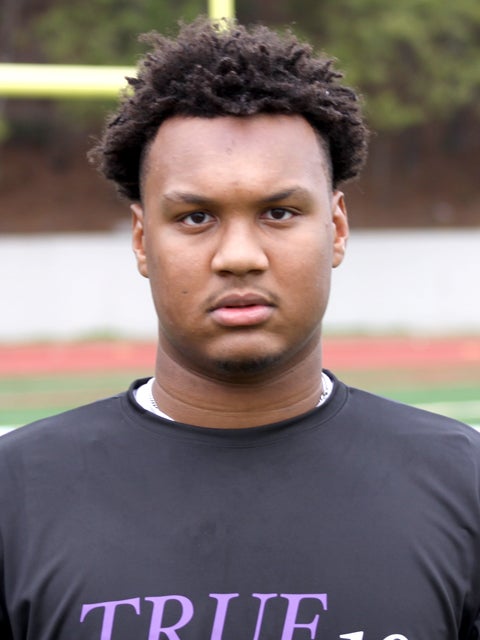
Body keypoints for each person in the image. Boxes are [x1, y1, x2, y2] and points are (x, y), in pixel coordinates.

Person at [1, 17, 479, 640]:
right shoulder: (16, 494)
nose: (239, 256)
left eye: (279, 212)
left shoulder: (463, 482)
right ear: (142, 240)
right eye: (196, 217)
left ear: (336, 229)